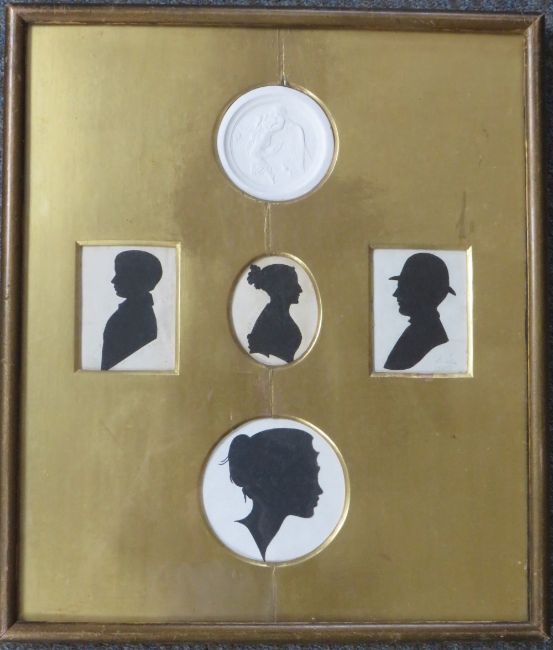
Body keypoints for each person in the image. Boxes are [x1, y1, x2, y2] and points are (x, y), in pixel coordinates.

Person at [226, 428, 323, 561]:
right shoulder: (235, 539)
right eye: (307, 479)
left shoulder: (290, 542)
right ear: (276, 481)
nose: (319, 490)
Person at [384, 252, 456, 370]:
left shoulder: (424, 335)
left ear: (422, 292)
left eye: (403, 287)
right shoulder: (424, 332)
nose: (395, 294)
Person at [101, 250, 163, 370]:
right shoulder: (138, 313)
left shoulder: (132, 318)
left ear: (136, 279)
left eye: (120, 275)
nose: (113, 280)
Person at [247, 263, 303, 363]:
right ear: (280, 289)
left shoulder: (275, 315)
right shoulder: (268, 321)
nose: (300, 289)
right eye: (293, 284)